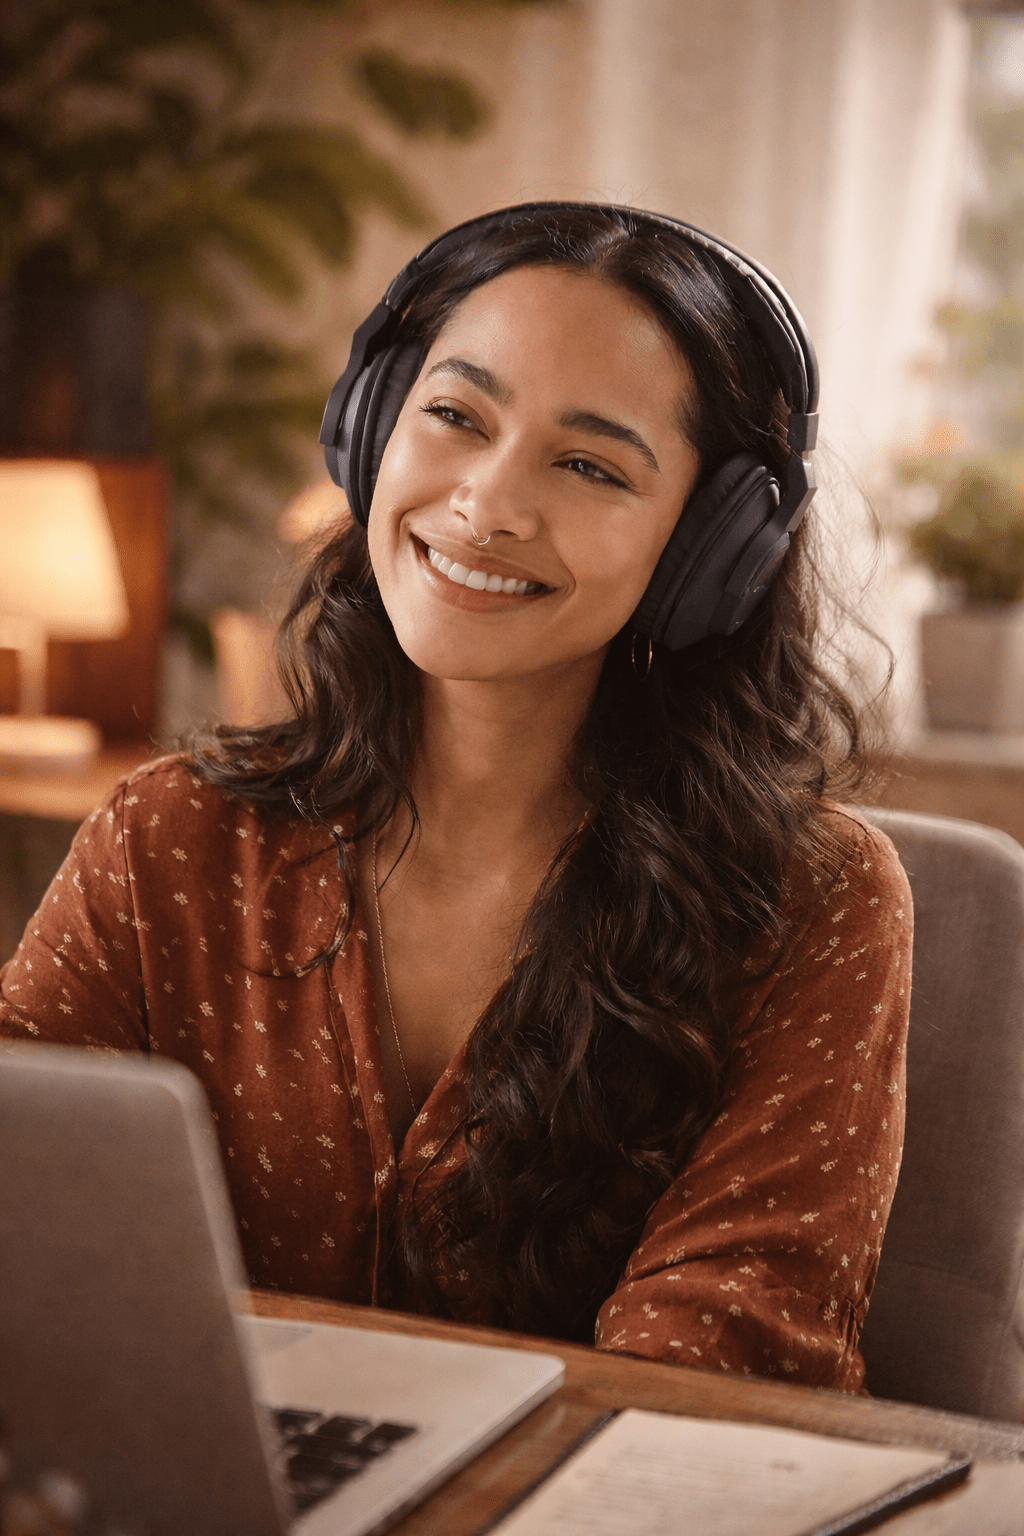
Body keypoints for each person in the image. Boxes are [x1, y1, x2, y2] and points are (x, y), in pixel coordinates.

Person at [0, 204, 911, 1392]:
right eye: (455, 416)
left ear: (707, 548)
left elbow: (715, 1369)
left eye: (588, 466)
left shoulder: (812, 903)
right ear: (373, 427)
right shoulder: (170, 836)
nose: (487, 505)